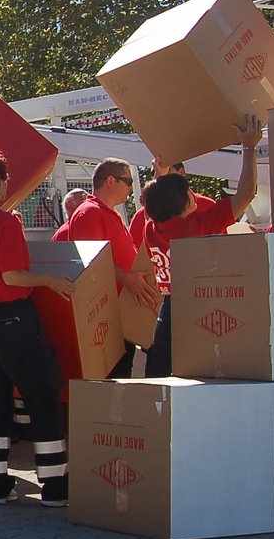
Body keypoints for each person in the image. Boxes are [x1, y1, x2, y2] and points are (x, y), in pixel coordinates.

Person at [0, 149, 72, 506]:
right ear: (1, 182)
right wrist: (50, 279)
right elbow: (13, 275)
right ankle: (55, 486)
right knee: (42, 397)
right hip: (14, 319)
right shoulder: (6, 223)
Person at [139, 117, 262, 377]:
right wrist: (249, 148)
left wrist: (159, 177)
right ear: (183, 202)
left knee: (160, 378)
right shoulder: (196, 226)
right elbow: (246, 194)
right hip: (199, 309)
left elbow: (155, 204)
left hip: (169, 310)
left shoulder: (151, 228)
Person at [59, 158, 159, 378]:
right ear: (111, 181)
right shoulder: (89, 213)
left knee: (121, 375)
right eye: (128, 181)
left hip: (121, 311)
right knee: (113, 378)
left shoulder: (106, 212)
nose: (131, 188)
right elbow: (90, 263)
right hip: (107, 316)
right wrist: (127, 278)